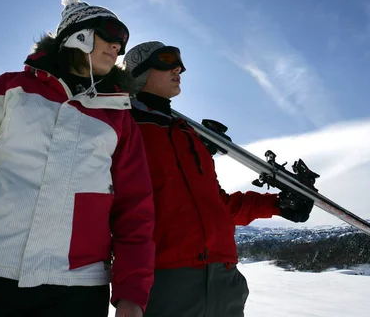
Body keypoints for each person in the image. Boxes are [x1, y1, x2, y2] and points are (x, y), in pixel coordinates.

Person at [0, 0, 155, 317]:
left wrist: (131, 293)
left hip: (77, 291)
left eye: (124, 42)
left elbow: (135, 211)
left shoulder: (119, 118)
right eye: (112, 32)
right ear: (79, 34)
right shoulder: (5, 91)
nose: (119, 46)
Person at [122, 41, 313, 317]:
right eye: (166, 60)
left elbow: (217, 204)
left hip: (226, 279)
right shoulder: (126, 129)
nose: (179, 68)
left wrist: (277, 205)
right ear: (139, 70)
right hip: (169, 279)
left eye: (180, 62)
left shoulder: (191, 137)